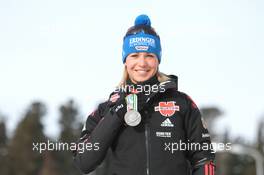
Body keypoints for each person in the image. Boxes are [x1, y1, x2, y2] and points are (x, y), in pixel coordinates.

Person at [73, 14, 215, 175]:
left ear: (158, 60)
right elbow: (84, 162)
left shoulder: (181, 103)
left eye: (149, 55)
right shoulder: (106, 109)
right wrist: (116, 114)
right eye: (134, 55)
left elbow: (204, 160)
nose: (142, 63)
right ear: (125, 61)